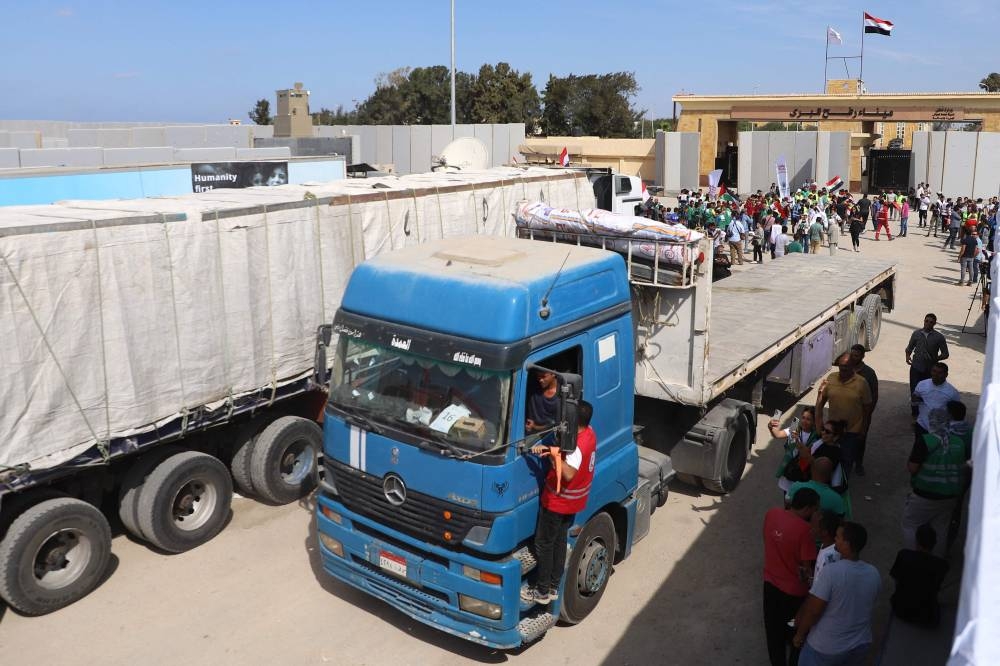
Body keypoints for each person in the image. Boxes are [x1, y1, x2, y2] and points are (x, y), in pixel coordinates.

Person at [523, 400, 597, 604]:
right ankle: (555, 586)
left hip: (558, 502)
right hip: (573, 502)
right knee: (559, 540)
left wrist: (552, 456)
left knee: (544, 544)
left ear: (574, 419)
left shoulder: (576, 447)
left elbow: (568, 473)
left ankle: (542, 591)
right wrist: (552, 449)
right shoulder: (589, 432)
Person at [793, 523, 881, 665]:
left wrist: (799, 634)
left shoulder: (831, 572)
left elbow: (813, 611)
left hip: (826, 647)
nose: (834, 539)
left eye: (838, 537)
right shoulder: (873, 573)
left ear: (846, 544)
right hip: (860, 644)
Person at [902, 405, 971, 558]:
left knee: (911, 525)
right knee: (941, 529)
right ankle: (936, 561)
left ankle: (910, 558)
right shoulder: (959, 443)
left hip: (924, 494)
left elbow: (912, 468)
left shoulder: (926, 441)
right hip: (950, 496)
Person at [763, 488, 821, 666]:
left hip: (770, 585)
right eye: (815, 509)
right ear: (808, 509)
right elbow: (806, 568)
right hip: (793, 594)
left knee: (773, 631)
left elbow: (765, 539)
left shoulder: (772, 514)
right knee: (794, 632)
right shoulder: (806, 531)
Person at [816, 353, 873, 477]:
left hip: (852, 431)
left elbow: (867, 409)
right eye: (841, 366)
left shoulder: (862, 383)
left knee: (846, 460)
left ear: (853, 366)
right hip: (833, 430)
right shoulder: (831, 378)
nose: (843, 369)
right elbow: (820, 401)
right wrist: (818, 422)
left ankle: (842, 487)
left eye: (847, 366)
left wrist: (863, 430)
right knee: (830, 458)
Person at [890, 523, 949, 628]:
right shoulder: (942, 565)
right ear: (934, 543)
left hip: (900, 609)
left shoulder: (904, 555)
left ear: (916, 541)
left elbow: (896, 578)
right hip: (927, 616)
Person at [848, 344, 878, 477]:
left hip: (862, 414)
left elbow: (874, 395)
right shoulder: (846, 369)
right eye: (852, 355)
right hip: (846, 412)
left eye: (856, 355)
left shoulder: (869, 373)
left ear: (862, 356)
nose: (853, 358)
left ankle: (858, 463)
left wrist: (868, 414)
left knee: (860, 438)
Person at [905, 313, 949, 397]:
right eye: (927, 321)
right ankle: (915, 409)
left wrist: (936, 359)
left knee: (927, 392)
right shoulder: (916, 334)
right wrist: (907, 357)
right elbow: (909, 348)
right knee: (914, 391)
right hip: (916, 367)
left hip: (930, 370)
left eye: (931, 322)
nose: (928, 323)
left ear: (934, 324)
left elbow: (945, 354)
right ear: (924, 321)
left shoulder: (939, 337)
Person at [912, 362, 960, 439]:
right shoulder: (922, 384)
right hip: (921, 425)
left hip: (939, 430)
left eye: (939, 373)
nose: (935, 375)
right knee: (918, 449)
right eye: (934, 371)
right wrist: (914, 399)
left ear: (946, 375)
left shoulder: (952, 392)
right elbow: (915, 400)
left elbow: (956, 413)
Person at [526, 369, 559, 436]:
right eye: (538, 376)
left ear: (553, 373)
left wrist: (535, 427)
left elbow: (556, 424)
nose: (540, 380)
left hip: (546, 436)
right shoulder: (533, 386)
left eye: (543, 376)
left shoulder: (562, 395)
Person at [812, 510, 842, 583]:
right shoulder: (826, 544)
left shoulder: (829, 558)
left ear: (824, 532)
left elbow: (823, 590)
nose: (810, 528)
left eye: (814, 526)